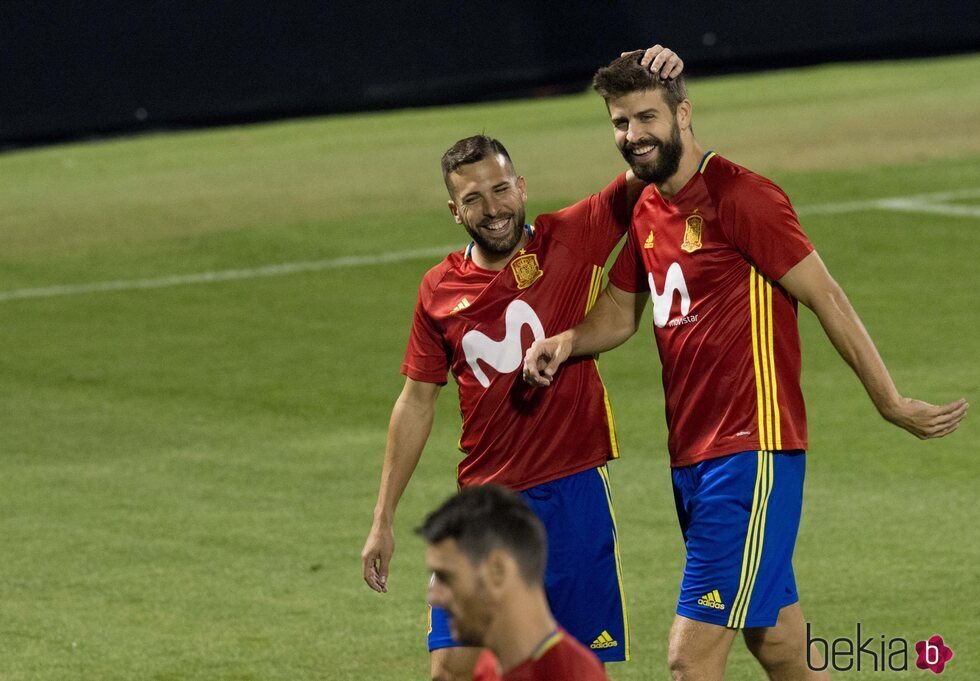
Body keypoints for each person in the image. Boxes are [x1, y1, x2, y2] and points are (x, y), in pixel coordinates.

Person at [523, 52, 969, 681]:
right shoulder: (648, 206)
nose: (633, 135)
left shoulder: (742, 196)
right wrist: (566, 339)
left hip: (751, 452)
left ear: (683, 113)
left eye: (646, 116)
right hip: (693, 459)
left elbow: (826, 296)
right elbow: (622, 311)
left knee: (689, 658)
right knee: (781, 645)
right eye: (620, 123)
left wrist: (889, 402)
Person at [360, 45, 684, 681]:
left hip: (574, 490)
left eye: (501, 189)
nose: (494, 208)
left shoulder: (570, 236)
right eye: (474, 199)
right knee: (452, 667)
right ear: (456, 212)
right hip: (485, 504)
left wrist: (658, 85)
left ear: (522, 186)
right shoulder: (438, 291)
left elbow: (648, 166)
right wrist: (383, 521)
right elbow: (416, 401)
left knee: (576, 667)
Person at [418, 485, 610, 681]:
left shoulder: (568, 675)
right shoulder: (490, 668)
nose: (433, 597)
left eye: (446, 577)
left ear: (497, 571)